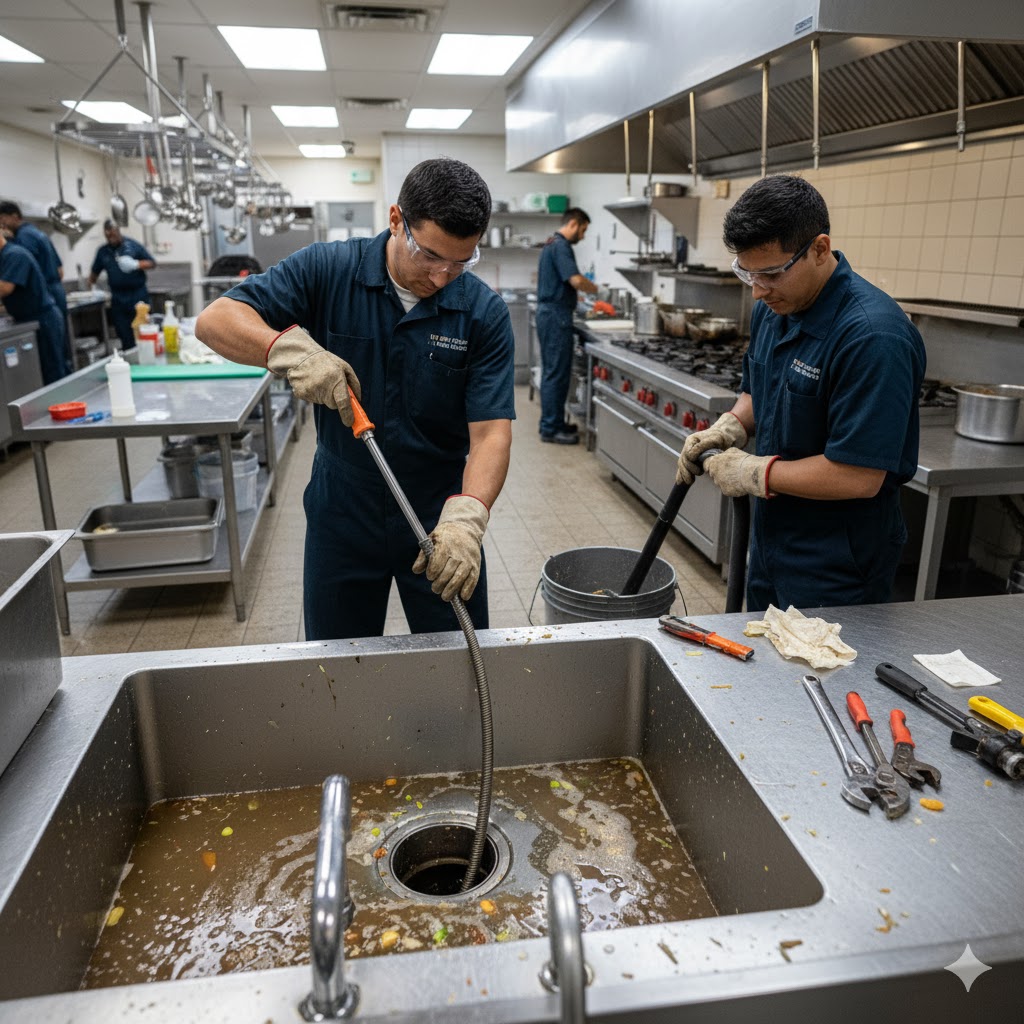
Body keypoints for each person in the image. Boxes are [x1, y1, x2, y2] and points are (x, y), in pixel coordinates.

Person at [195, 157, 515, 641]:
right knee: (336, 665)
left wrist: (468, 517)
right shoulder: (328, 269)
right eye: (430, 256)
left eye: (461, 261)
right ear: (395, 220)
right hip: (342, 508)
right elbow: (215, 320)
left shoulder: (483, 313)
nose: (444, 276)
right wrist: (288, 351)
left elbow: (491, 434)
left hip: (437, 513)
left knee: (461, 659)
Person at [676, 174, 926, 612]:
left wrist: (752, 473)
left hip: (837, 561)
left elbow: (858, 475)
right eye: (746, 272)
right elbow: (758, 391)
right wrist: (730, 427)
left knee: (821, 675)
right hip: (772, 540)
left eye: (770, 273)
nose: (757, 289)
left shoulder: (873, 336)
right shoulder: (776, 309)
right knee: (764, 668)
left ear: (820, 249)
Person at [535, 207, 598, 444]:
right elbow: (575, 279)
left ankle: (555, 423)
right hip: (555, 316)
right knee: (556, 374)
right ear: (573, 223)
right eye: (583, 230)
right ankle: (551, 429)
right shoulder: (561, 245)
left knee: (555, 372)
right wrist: (596, 290)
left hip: (551, 315)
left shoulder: (551, 243)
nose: (582, 236)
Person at [0, 230, 70, 384]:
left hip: (43, 319)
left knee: (53, 373)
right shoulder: (5, 257)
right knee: (45, 374)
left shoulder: (14, 254)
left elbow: (5, 288)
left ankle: (64, 407)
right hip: (29, 318)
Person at [88, 221, 155, 350]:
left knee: (143, 333)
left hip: (137, 295)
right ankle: (130, 361)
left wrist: (136, 264)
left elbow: (152, 263)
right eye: (108, 236)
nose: (111, 238)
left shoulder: (133, 246)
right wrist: (92, 289)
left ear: (118, 231)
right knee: (124, 334)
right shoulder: (103, 252)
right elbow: (94, 274)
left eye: (113, 235)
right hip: (118, 298)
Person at [0, 201, 66, 317]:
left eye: (2, 219)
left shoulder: (23, 238)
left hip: (43, 297)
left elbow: (17, 276)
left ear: (14, 216)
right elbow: (60, 272)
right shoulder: (39, 234)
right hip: (56, 294)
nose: (2, 224)